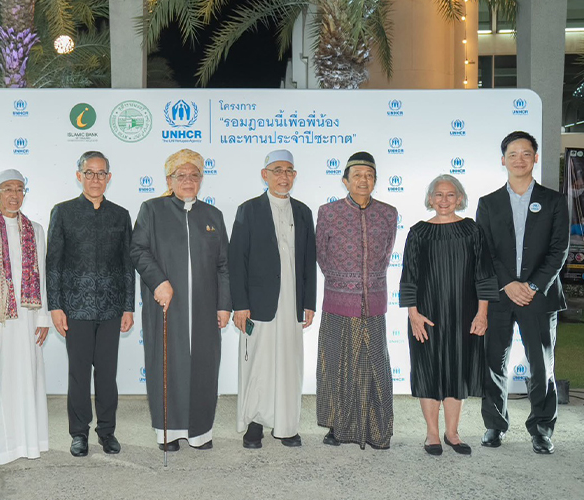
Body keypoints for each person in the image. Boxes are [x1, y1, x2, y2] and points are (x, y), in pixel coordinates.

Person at [130, 148, 232, 451]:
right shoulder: (152, 210)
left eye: (194, 175)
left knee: (204, 366)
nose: (188, 180)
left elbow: (223, 265)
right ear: (169, 180)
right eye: (181, 175)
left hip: (204, 308)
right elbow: (138, 250)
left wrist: (224, 304)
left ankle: (200, 433)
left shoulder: (213, 216)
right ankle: (168, 432)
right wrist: (158, 281)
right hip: (166, 306)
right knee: (167, 365)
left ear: (201, 179)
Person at [476, 131, 570, 455]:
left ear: (535, 158)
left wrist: (531, 286)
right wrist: (508, 283)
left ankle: (542, 429)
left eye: (526, 153)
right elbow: (484, 251)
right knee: (493, 363)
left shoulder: (554, 201)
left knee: (541, 367)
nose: (519, 159)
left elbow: (559, 250)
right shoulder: (488, 203)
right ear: (503, 160)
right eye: (513, 154)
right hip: (500, 296)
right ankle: (494, 425)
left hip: (539, 297)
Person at [399, 174, 499, 456]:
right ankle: (432, 433)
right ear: (430, 199)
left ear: (460, 198)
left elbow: (484, 275)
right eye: (438, 194)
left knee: (458, 371)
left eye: (450, 194)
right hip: (426, 316)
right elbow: (409, 276)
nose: (444, 200)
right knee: (428, 371)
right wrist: (413, 315)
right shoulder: (418, 232)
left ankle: (452, 433)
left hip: (464, 315)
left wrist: (482, 314)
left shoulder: (472, 231)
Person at [46, 151, 135, 457]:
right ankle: (79, 433)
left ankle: (107, 432)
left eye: (101, 173)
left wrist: (128, 307)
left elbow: (127, 265)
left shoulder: (120, 215)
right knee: (79, 375)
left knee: (107, 376)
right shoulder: (63, 212)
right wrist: (55, 306)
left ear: (108, 177)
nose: (95, 179)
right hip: (75, 308)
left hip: (111, 309)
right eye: (89, 173)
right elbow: (53, 263)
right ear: (79, 176)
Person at [228, 149, 316, 449]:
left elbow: (309, 261)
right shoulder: (249, 210)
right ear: (264, 175)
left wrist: (309, 303)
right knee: (258, 363)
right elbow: (236, 260)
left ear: (295, 176)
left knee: (290, 362)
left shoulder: (303, 211)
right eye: (277, 170)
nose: (283, 176)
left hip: (292, 301)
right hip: (258, 303)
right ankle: (254, 423)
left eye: (289, 170)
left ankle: (286, 425)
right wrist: (240, 305)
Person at [315, 151, 397, 450]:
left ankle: (377, 430)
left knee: (375, 366)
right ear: (345, 181)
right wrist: (344, 284)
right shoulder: (329, 212)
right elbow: (321, 255)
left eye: (369, 175)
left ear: (375, 180)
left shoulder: (388, 213)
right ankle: (338, 427)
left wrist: (367, 283)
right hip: (338, 302)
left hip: (373, 301)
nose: (364, 180)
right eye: (358, 175)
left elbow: (387, 254)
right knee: (336, 366)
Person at [0, 169, 51, 465]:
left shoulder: (36, 230)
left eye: (19, 189)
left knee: (29, 379)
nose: (14, 195)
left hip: (29, 320)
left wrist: (43, 318)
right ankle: (0, 447)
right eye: (8, 189)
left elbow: (42, 277)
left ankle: (29, 443)